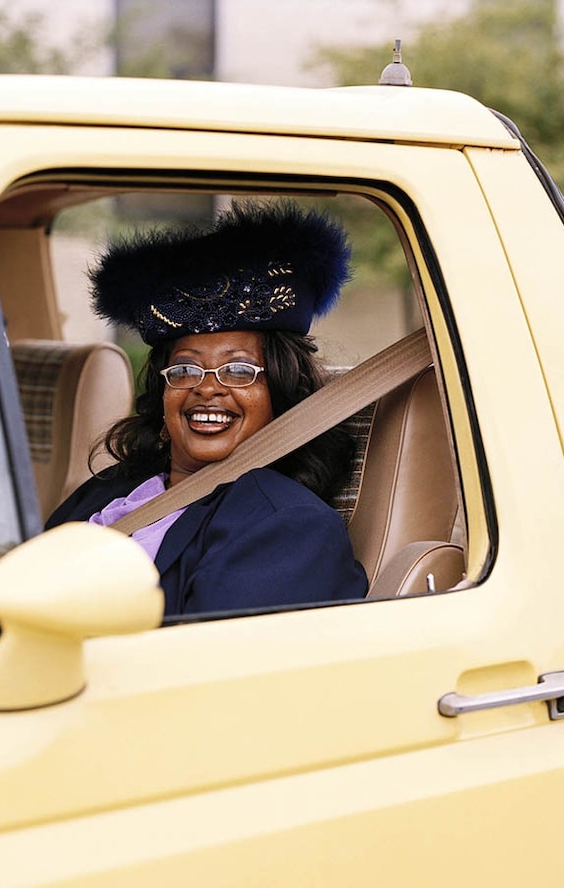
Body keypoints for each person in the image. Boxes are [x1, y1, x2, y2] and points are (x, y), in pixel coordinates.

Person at [46, 199, 369, 617]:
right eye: (185, 369)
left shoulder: (288, 525)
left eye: (238, 370)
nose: (207, 388)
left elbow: (207, 671)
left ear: (281, 392)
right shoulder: (111, 490)